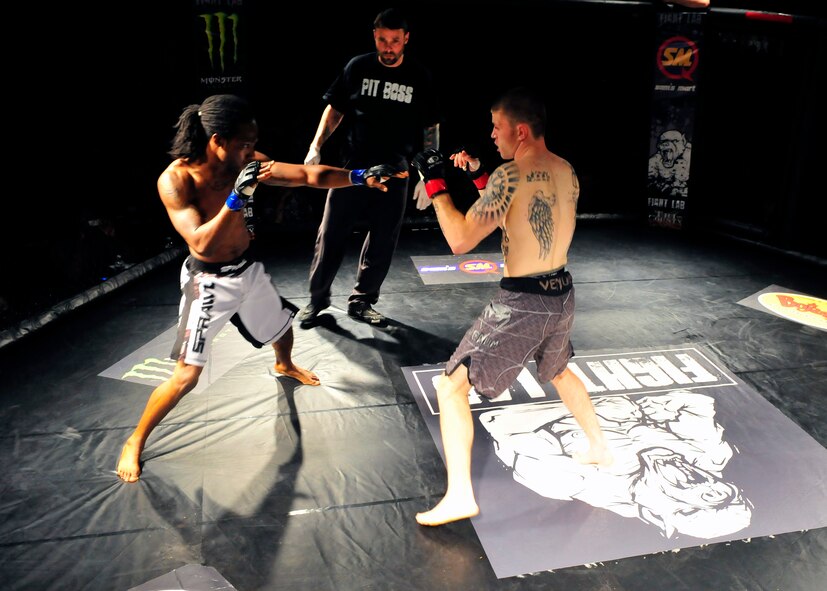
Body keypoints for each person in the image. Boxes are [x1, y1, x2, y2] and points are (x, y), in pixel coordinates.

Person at [117, 94, 404, 483]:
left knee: (282, 325)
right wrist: (238, 196)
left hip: (245, 271)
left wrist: (359, 177)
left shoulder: (247, 161)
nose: (252, 151)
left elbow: (307, 175)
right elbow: (201, 242)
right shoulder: (176, 179)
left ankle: (283, 364)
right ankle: (135, 439)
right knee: (187, 376)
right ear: (217, 141)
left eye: (253, 143)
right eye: (244, 144)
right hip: (208, 281)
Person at [410, 86, 613, 526]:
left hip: (523, 301)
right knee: (558, 370)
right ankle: (598, 446)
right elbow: (521, 212)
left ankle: (461, 495)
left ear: (520, 130)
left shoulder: (510, 176)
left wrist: (437, 183)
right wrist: (482, 175)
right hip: (562, 294)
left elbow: (460, 240)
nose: (492, 134)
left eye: (497, 127)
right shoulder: (565, 170)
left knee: (450, 387)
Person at [298, 7, 441, 328]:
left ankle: (362, 300)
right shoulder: (357, 67)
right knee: (330, 233)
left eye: (394, 41)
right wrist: (316, 145)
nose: (388, 47)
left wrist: (429, 174)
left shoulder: (419, 76)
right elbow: (334, 110)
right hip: (352, 168)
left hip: (396, 170)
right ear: (374, 37)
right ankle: (317, 299)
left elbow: (430, 127)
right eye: (382, 40)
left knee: (383, 239)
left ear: (406, 39)